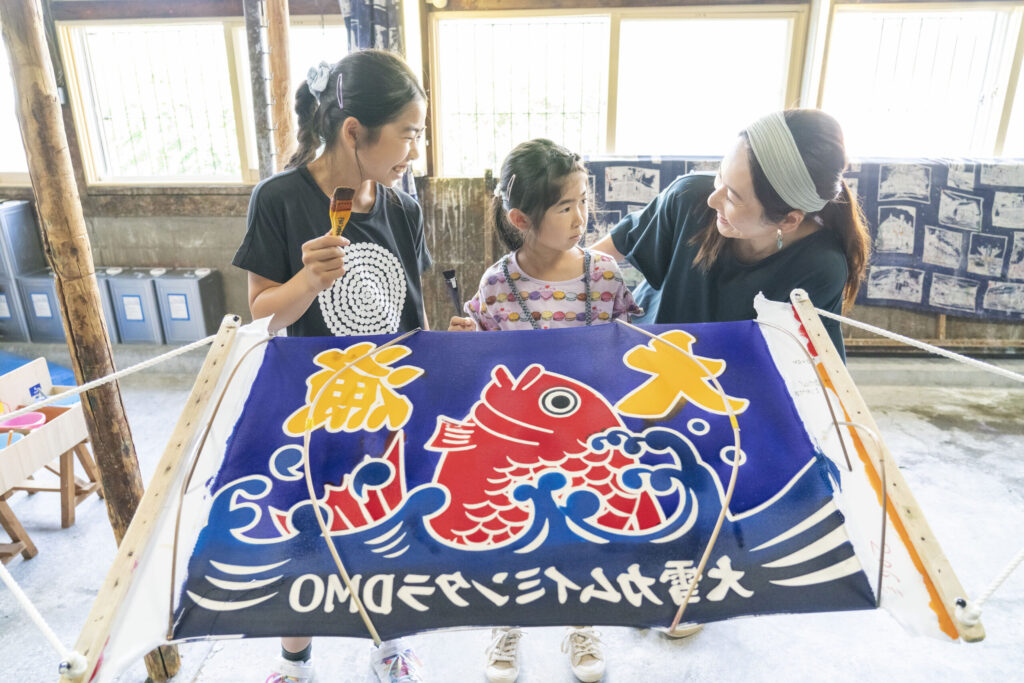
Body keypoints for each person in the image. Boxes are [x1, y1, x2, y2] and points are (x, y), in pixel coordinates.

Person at [232, 49, 430, 683]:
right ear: (353, 131)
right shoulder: (279, 199)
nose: (415, 152)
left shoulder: (402, 207)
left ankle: (391, 646)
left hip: (389, 403)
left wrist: (440, 354)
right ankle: (296, 662)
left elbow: (411, 308)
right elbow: (263, 316)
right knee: (304, 533)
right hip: (310, 407)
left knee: (392, 524)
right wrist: (308, 282)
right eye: (408, 134)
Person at [449, 138, 641, 683]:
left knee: (582, 528)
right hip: (517, 443)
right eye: (564, 207)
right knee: (510, 527)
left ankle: (582, 621)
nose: (581, 218)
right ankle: (505, 623)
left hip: (585, 440)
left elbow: (627, 346)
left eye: (584, 201)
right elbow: (484, 365)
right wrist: (465, 341)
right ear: (520, 219)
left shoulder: (605, 275)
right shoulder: (496, 284)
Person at [592, 109, 870, 361]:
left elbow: (811, 364)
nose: (713, 199)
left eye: (733, 197)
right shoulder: (688, 197)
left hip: (730, 382)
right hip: (639, 351)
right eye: (719, 176)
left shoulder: (821, 267)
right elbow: (599, 255)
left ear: (788, 220)